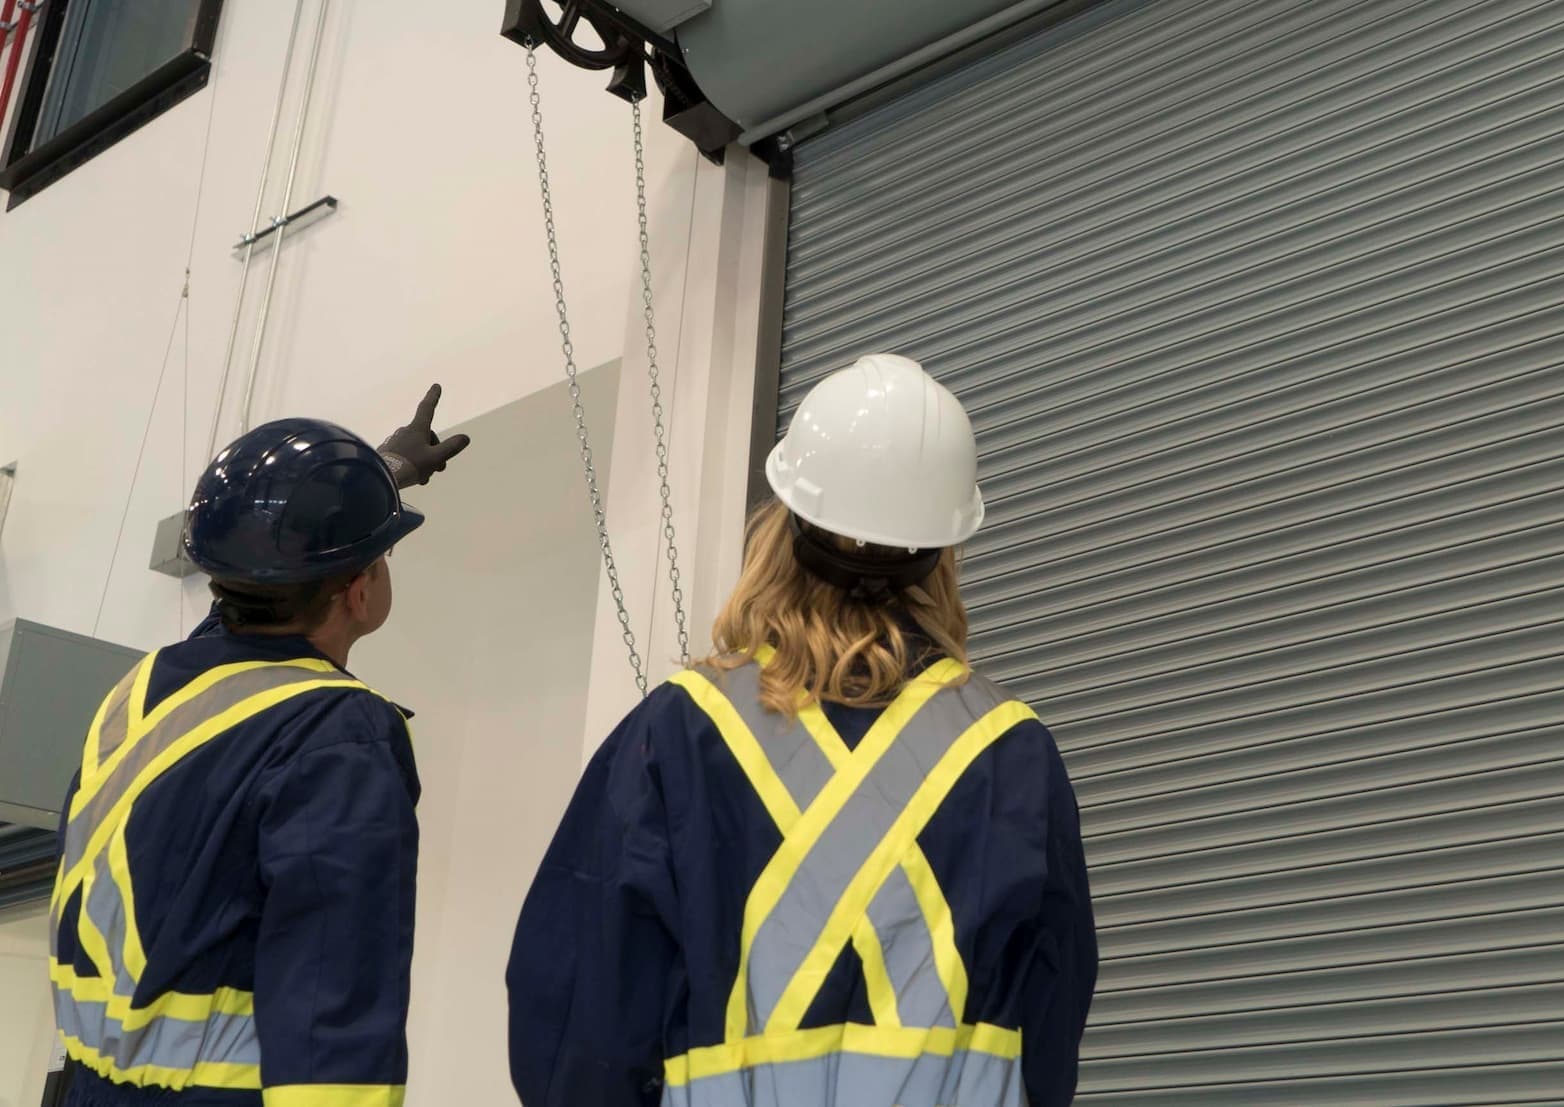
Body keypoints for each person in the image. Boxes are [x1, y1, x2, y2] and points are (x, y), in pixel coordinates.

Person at [506, 354, 1098, 1107]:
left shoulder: (679, 736)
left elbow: (576, 1023)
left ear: (782, 527)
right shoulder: (1013, 756)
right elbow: (1049, 1029)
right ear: (942, 556)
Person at [49, 388, 470, 1107]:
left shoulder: (145, 687)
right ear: (357, 590)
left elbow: (254, 582)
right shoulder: (337, 733)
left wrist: (381, 471)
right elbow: (334, 1009)